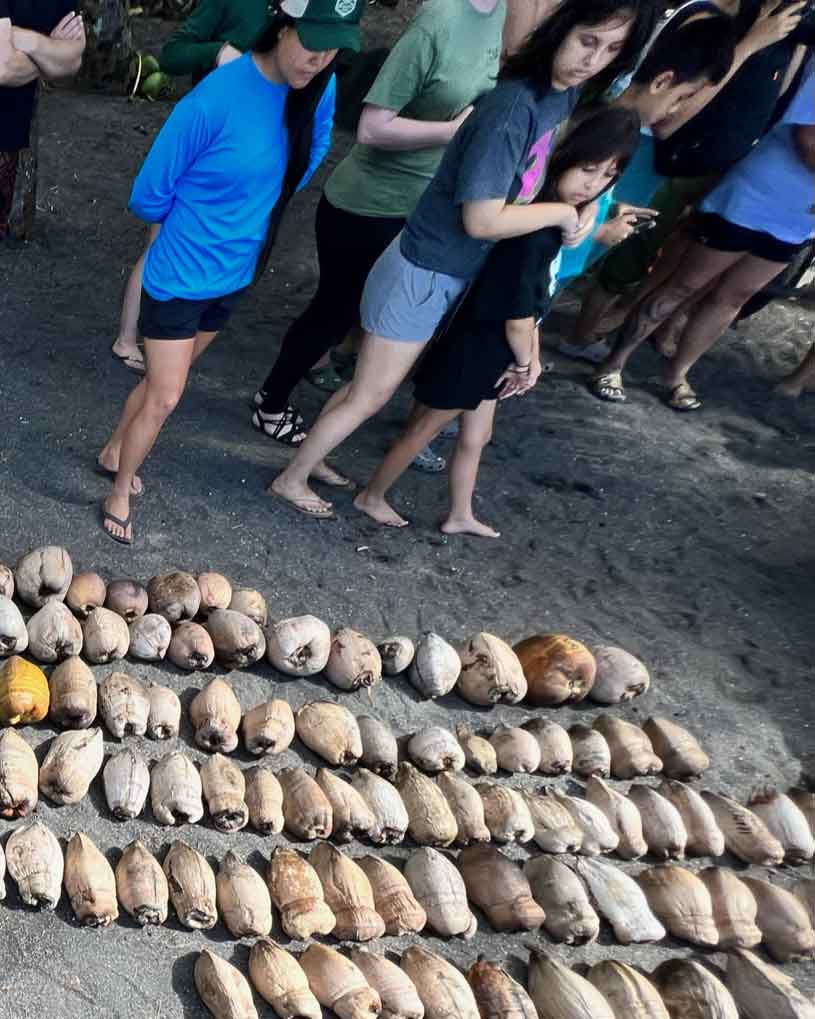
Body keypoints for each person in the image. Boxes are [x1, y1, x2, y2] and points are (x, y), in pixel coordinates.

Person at [268, 0, 659, 518]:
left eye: (611, 51)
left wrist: (586, 210)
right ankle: (291, 479)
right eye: (589, 41)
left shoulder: (555, 100)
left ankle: (309, 460)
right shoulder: (513, 108)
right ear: (563, 30)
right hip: (424, 270)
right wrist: (560, 213)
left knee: (368, 387)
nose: (594, 59)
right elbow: (481, 219)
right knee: (370, 393)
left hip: (440, 271)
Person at [98, 0, 359, 544]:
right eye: (312, 43)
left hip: (236, 272)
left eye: (334, 48)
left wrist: (250, 207)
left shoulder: (317, 86)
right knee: (168, 395)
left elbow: (312, 152)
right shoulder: (215, 97)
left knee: (156, 385)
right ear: (282, 28)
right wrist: (206, 216)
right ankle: (120, 489)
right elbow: (148, 194)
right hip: (180, 273)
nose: (320, 59)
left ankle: (112, 450)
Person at [354, 106, 642, 532]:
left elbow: (534, 308)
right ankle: (371, 495)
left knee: (476, 436)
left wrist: (529, 359)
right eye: (588, 169)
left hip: (494, 351)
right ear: (565, 156)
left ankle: (459, 513)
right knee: (422, 430)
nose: (593, 185)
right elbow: (519, 316)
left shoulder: (547, 215)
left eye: (607, 177)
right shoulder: (537, 226)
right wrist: (527, 363)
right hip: (479, 346)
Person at [250, 0, 506, 452]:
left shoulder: (498, 14)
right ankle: (270, 400)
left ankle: (332, 409)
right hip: (369, 205)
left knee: (366, 317)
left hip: (422, 207)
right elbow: (371, 129)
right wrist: (452, 134)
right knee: (334, 310)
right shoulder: (436, 23)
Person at [570, 0, 810, 372]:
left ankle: (573, 336)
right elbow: (672, 117)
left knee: (606, 250)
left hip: (669, 159)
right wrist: (747, 46)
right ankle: (558, 338)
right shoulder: (707, 18)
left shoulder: (777, 36)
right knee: (581, 244)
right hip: (642, 146)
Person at [589, 59, 814, 410]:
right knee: (684, 284)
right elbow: (808, 138)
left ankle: (676, 373)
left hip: (799, 216)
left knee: (734, 297)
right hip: (754, 196)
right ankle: (613, 363)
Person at [111, 0, 274, 372]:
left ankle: (161, 342)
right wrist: (217, 52)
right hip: (206, 140)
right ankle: (127, 338)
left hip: (250, 150)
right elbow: (172, 55)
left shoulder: (308, 16)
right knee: (159, 239)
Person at [552, 13, 737, 304]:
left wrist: (611, 206)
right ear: (662, 82)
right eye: (681, 97)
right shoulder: (599, 133)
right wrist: (599, 232)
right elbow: (544, 220)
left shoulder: (622, 131)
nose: (676, 110)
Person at [0, 0, 85, 238]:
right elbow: (3, 67)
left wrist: (30, 41)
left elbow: (74, 60)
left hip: (11, 136)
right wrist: (51, 49)